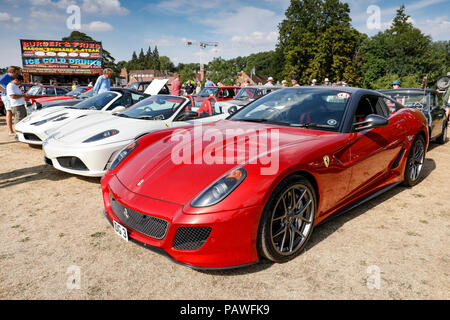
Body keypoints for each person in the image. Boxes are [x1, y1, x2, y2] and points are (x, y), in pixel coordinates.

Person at [0, 66, 21, 136]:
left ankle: (14, 129)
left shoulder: (12, 77)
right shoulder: (4, 77)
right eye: (17, 73)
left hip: (10, 96)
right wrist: (5, 91)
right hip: (6, 96)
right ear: (13, 72)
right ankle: (10, 131)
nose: (18, 74)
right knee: (9, 112)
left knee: (14, 111)